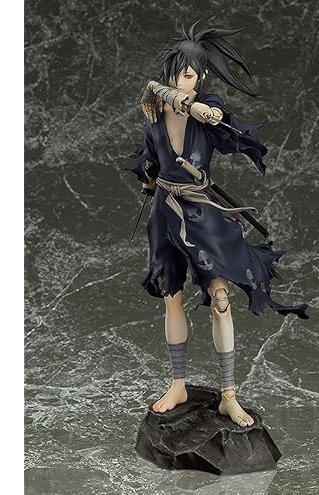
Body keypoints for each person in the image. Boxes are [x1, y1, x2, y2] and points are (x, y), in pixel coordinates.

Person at [125, 20, 309, 428]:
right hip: (165, 212)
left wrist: (209, 112)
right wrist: (149, 178)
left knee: (220, 299)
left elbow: (215, 114)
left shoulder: (206, 108)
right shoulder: (154, 116)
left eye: (189, 76)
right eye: (176, 75)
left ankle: (228, 395)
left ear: (200, 77)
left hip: (202, 211)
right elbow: (149, 157)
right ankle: (178, 384)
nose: (182, 82)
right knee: (171, 296)